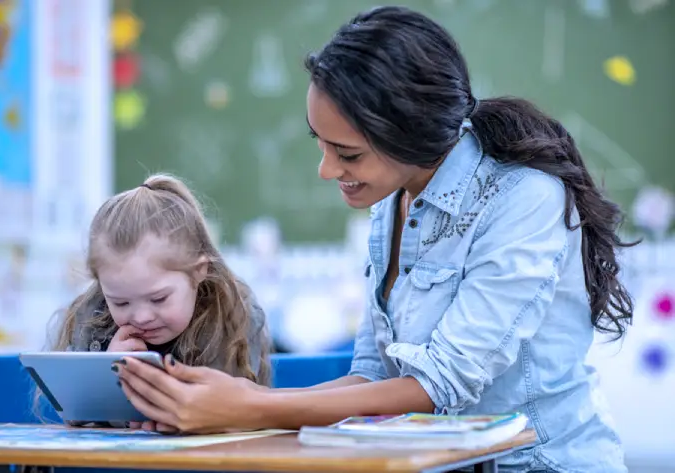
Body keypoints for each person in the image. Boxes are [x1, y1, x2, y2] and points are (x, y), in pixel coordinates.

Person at [113, 6, 634, 472]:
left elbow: (441, 385)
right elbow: (373, 374)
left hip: (541, 464)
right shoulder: (394, 200)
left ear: (410, 132)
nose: (326, 169)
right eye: (321, 144)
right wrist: (238, 406)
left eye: (348, 154)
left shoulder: (525, 198)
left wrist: (251, 406)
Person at [37, 173, 272, 430]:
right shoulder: (93, 314)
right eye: (121, 303)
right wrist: (105, 373)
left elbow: (240, 412)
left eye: (158, 299)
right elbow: (74, 414)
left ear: (198, 271)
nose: (141, 316)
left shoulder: (232, 314)